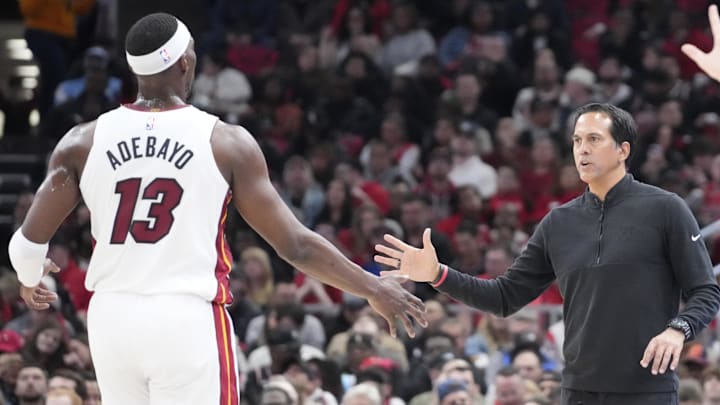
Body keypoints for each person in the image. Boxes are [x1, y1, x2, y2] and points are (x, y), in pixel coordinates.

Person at [7, 13, 427, 405]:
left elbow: (25, 245)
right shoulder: (224, 141)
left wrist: (29, 279)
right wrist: (372, 288)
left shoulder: (81, 140)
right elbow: (295, 245)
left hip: (111, 318)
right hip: (184, 318)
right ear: (186, 62)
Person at [375, 100, 720, 403]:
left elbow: (705, 290)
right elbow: (504, 297)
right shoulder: (559, 223)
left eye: (594, 140)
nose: (581, 149)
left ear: (623, 150)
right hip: (578, 391)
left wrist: (679, 328)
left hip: (648, 390)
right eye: (577, 141)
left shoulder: (666, 209)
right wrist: (438, 274)